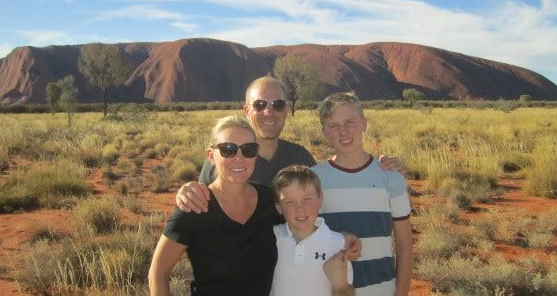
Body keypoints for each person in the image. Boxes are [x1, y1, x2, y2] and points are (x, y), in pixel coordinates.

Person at [176, 76, 405, 214]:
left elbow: (328, 199)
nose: (269, 112)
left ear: (286, 110)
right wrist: (186, 192)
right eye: (259, 104)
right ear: (247, 111)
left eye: (277, 104)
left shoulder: (300, 157)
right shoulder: (225, 157)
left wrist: (381, 170)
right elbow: (199, 199)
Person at [148, 115, 278, 296]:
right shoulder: (195, 207)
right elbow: (158, 273)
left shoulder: (269, 200)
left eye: (248, 149)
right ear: (211, 156)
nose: (239, 158)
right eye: (228, 149)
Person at [312, 92, 413, 296]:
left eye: (350, 122)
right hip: (329, 290)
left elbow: (404, 245)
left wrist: (401, 293)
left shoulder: (391, 178)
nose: (343, 132)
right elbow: (306, 237)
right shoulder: (314, 180)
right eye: (334, 126)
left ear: (364, 123)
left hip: (382, 289)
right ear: (324, 132)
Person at [271, 165, 354, 296]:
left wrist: (341, 285)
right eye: (289, 202)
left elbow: (346, 292)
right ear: (279, 207)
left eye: (307, 199)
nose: (300, 208)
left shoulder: (338, 244)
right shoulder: (271, 237)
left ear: (320, 200)